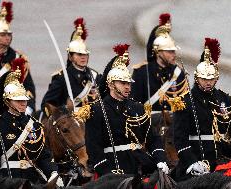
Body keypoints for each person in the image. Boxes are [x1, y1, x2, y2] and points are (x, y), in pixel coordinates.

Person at [85, 44, 169, 176]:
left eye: (129, 83)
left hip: (141, 163)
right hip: (114, 166)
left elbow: (153, 138)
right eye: (123, 83)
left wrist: (160, 160)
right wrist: (108, 173)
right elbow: (94, 149)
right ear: (111, 84)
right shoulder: (96, 110)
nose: (127, 87)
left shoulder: (138, 108)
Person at [0, 67, 63, 187]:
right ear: (7, 101)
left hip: (32, 180)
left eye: (24, 100)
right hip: (8, 180)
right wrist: (1, 183)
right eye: (18, 100)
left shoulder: (35, 125)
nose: (23, 103)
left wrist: (53, 172)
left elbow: (44, 156)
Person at [173, 38, 231, 181]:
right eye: (204, 79)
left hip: (222, 159)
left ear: (216, 78)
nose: (208, 83)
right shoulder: (184, 102)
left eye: (211, 79)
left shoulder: (225, 99)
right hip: (197, 160)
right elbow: (180, 140)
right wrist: (192, 163)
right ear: (197, 78)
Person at [131, 13, 188, 166]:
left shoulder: (179, 73)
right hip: (150, 124)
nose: (173, 54)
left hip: (175, 124)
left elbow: (185, 101)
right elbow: (134, 103)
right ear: (158, 52)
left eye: (174, 51)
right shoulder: (142, 72)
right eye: (170, 52)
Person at [41, 17, 101, 115]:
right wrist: (66, 109)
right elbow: (47, 105)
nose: (83, 57)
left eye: (85, 54)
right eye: (79, 54)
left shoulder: (95, 76)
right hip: (71, 125)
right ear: (70, 56)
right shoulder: (61, 78)